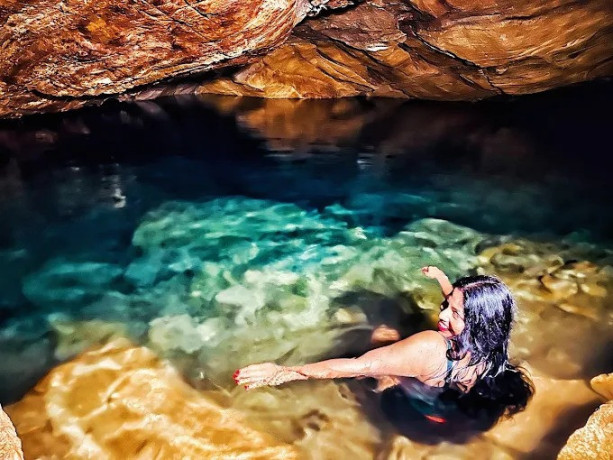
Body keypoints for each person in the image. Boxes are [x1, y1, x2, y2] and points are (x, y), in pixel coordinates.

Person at [234, 266, 532, 409]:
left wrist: (285, 372)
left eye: (454, 312)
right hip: (455, 402)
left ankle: (381, 387)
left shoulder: (430, 346)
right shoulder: (493, 341)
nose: (442, 315)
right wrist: (443, 280)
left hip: (417, 406)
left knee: (382, 335)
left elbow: (356, 366)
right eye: (447, 304)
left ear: (478, 321)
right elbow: (463, 307)